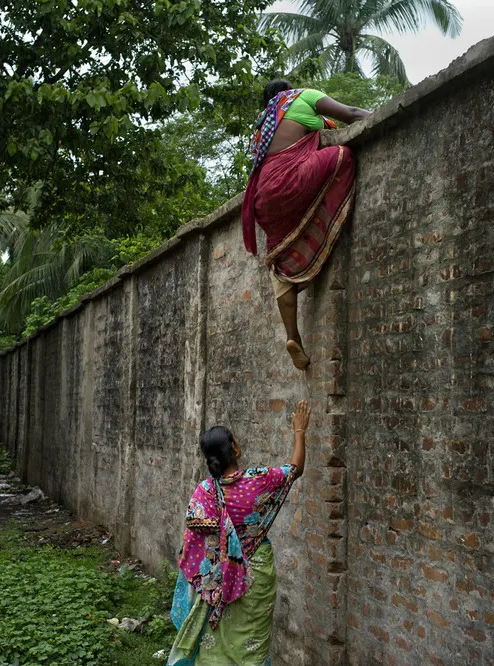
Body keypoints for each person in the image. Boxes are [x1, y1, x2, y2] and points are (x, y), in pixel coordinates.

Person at [167, 400, 311, 665]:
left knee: (216, 644)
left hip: (221, 581)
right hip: (256, 576)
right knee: (251, 645)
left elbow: (192, 545)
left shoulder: (204, 492)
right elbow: (295, 469)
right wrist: (299, 432)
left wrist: (215, 569)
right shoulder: (258, 480)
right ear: (233, 447)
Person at [242, 79, 370, 370]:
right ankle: (324, 232)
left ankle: (292, 335)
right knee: (343, 156)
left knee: (277, 258)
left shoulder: (264, 125)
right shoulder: (302, 97)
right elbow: (349, 113)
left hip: (263, 200)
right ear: (289, 90)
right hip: (291, 182)